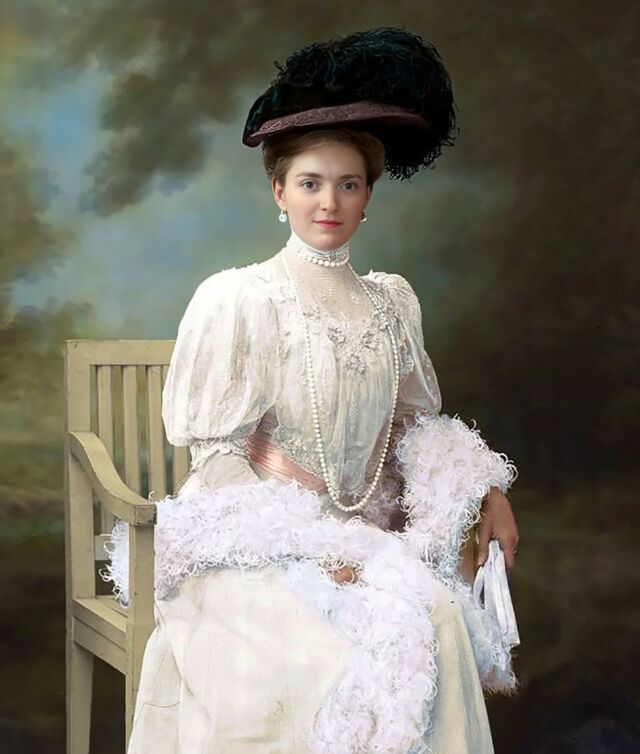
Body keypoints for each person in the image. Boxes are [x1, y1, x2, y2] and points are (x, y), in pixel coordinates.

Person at [104, 27, 521, 754]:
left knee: (435, 617)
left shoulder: (392, 303)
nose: (329, 201)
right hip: (252, 545)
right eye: (310, 183)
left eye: (348, 184)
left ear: (368, 196)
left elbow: (415, 429)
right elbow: (220, 459)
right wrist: (314, 549)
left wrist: (486, 489)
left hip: (371, 542)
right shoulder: (241, 299)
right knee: (318, 651)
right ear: (279, 190)